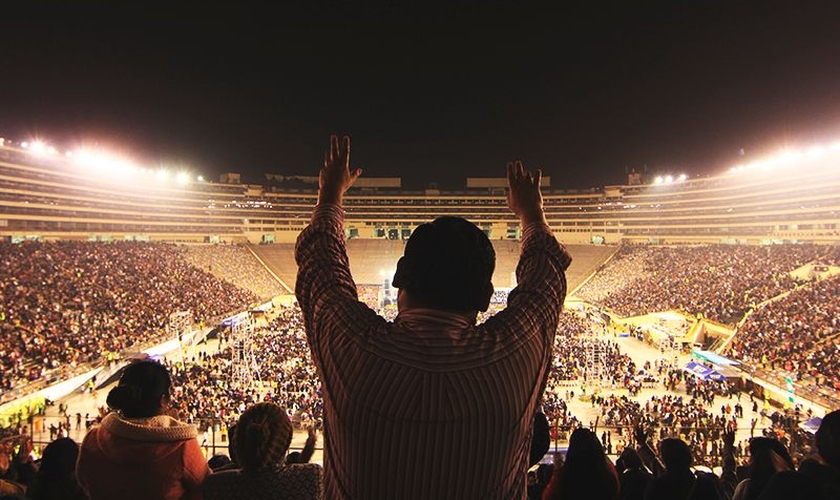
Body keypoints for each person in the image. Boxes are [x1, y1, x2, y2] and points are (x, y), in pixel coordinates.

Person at [295, 135, 571, 498]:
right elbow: (544, 281)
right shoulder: (516, 354)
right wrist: (531, 214)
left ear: (398, 280)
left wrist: (330, 196)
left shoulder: (350, 346)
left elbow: (322, 267)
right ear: (487, 297)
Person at [76, 360, 209, 500]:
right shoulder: (182, 444)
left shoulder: (93, 438)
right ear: (163, 399)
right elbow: (204, 486)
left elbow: (84, 480)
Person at [203, 402, 322, 500]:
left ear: (238, 441)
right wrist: (304, 459)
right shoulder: (312, 477)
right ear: (284, 443)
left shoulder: (215, 485)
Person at [542, 427, 619, 500]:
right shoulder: (607, 474)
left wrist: (557, 470)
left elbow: (548, 497)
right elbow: (616, 490)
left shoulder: (564, 476)